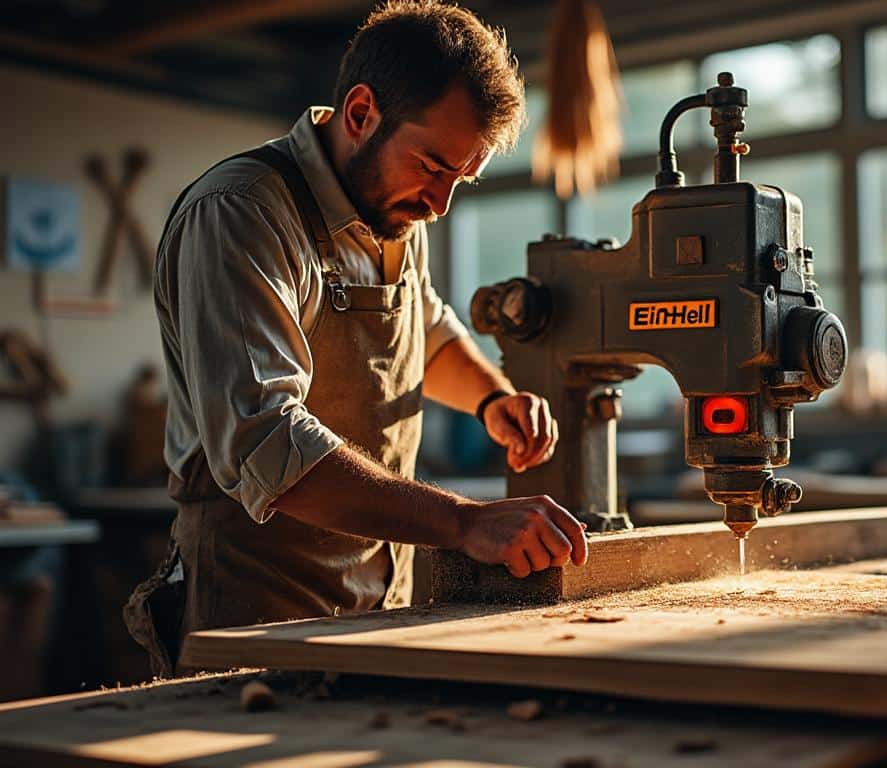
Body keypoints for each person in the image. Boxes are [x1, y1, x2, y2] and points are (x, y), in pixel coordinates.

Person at [125, 0, 587, 677]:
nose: (440, 203)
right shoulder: (241, 214)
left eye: (462, 178)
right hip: (256, 607)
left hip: (380, 595)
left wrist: (493, 401)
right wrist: (464, 522)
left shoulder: (396, 210)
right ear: (361, 112)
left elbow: (423, 329)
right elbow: (267, 441)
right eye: (432, 165)